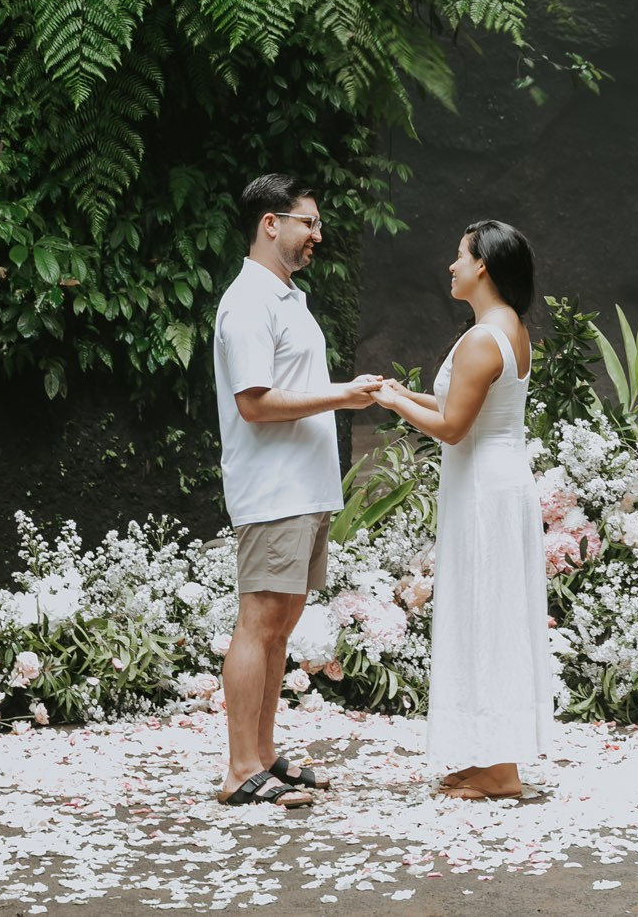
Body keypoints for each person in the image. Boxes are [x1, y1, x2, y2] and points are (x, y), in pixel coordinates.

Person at [367, 220, 555, 800]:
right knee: (489, 610)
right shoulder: (510, 329)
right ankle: (490, 757)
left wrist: (392, 403)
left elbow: (451, 428)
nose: (451, 267)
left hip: (485, 492)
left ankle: (500, 770)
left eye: (460, 256)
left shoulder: (481, 338)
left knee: (487, 611)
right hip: (495, 480)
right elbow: (459, 408)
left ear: (484, 268)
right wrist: (399, 393)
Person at [210, 173, 380, 809]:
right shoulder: (247, 302)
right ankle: (238, 770)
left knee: (282, 624)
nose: (317, 233)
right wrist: (345, 393)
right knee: (258, 621)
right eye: (307, 221)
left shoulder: (287, 298)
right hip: (272, 489)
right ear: (270, 224)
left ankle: (263, 757)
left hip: (305, 490)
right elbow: (254, 403)